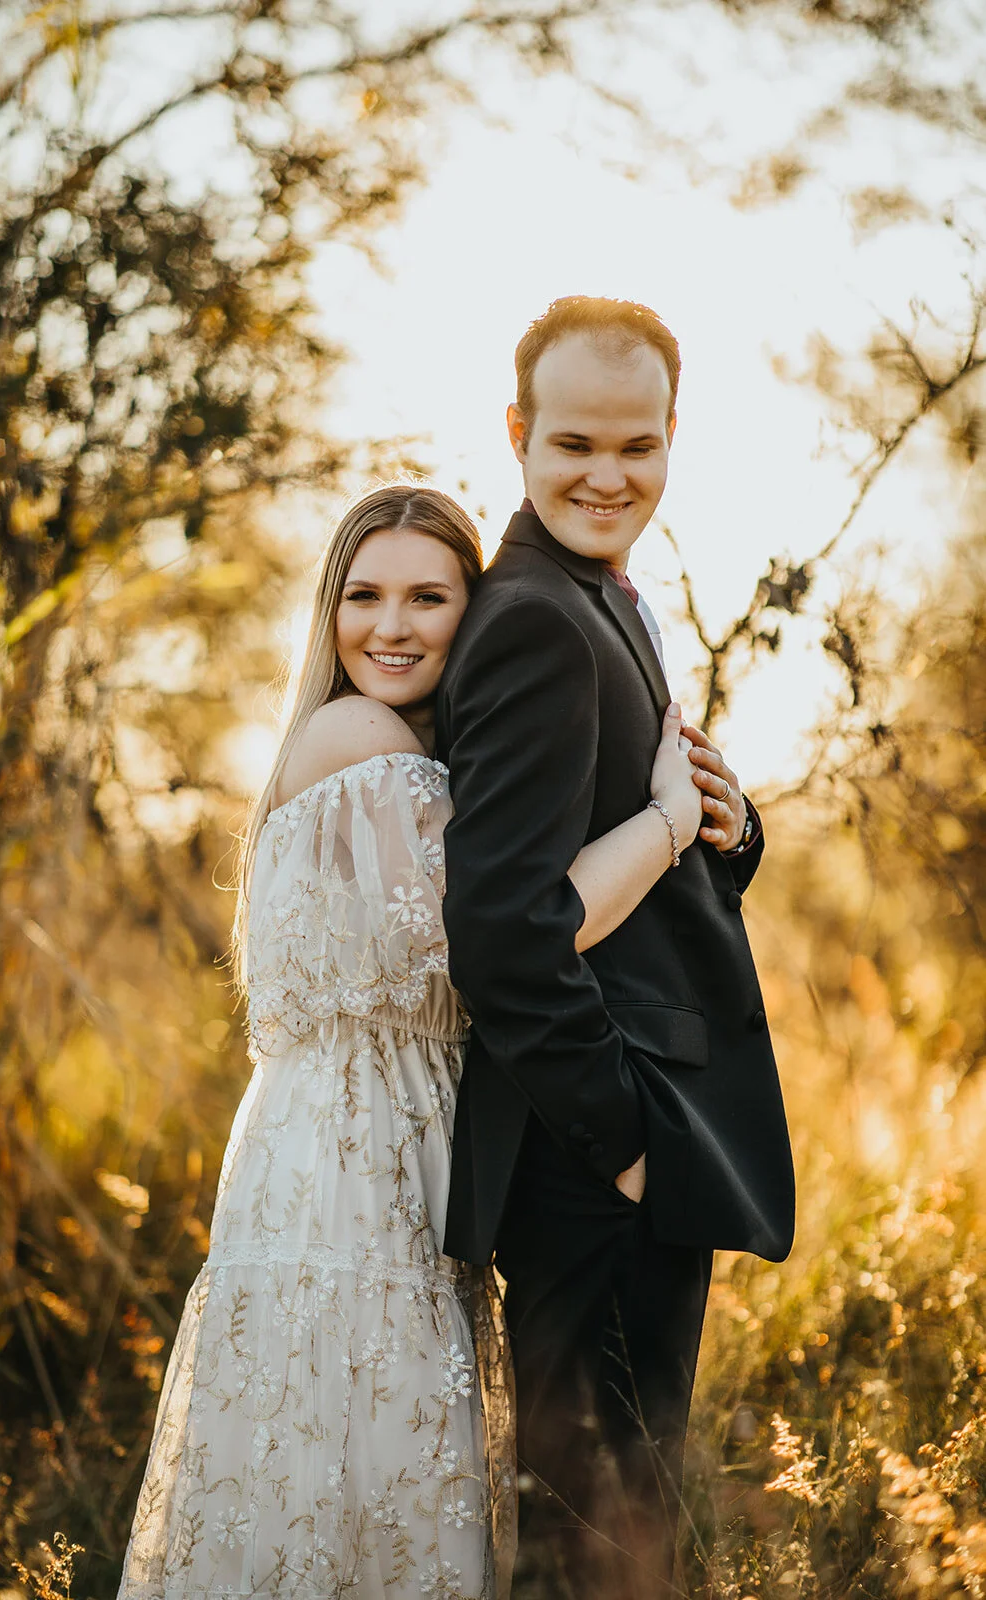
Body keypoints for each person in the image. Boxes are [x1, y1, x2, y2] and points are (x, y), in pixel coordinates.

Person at [115, 482, 706, 1600]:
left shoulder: (410, 754)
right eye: (363, 595)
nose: (390, 625)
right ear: (328, 611)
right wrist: (663, 824)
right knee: (348, 1475)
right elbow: (503, 940)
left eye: (429, 597)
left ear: (467, 614)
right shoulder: (361, 740)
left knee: (356, 1479)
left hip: (368, 1147)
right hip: (352, 1168)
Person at [437, 297, 797, 1599]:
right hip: (589, 1159)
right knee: (587, 1532)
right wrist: (631, 1143)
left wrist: (726, 822)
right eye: (574, 444)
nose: (606, 475)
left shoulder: (601, 598)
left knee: (623, 1512)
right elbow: (499, 929)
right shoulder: (535, 615)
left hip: (620, 1139)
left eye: (635, 447)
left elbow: (634, 864)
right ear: (517, 435)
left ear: (669, 438)